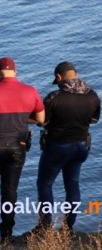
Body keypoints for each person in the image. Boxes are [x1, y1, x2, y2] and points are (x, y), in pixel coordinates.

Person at [0, 57, 45, 242]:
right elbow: (41, 119)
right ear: (15, 72)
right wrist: (20, 118)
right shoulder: (30, 91)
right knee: (9, 191)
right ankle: (6, 234)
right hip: (17, 149)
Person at [31, 62, 101, 234]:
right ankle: (67, 228)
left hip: (57, 147)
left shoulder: (54, 97)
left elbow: (43, 121)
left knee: (45, 185)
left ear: (59, 77)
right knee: (72, 185)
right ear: (75, 75)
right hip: (81, 147)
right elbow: (94, 120)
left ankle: (45, 227)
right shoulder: (93, 96)